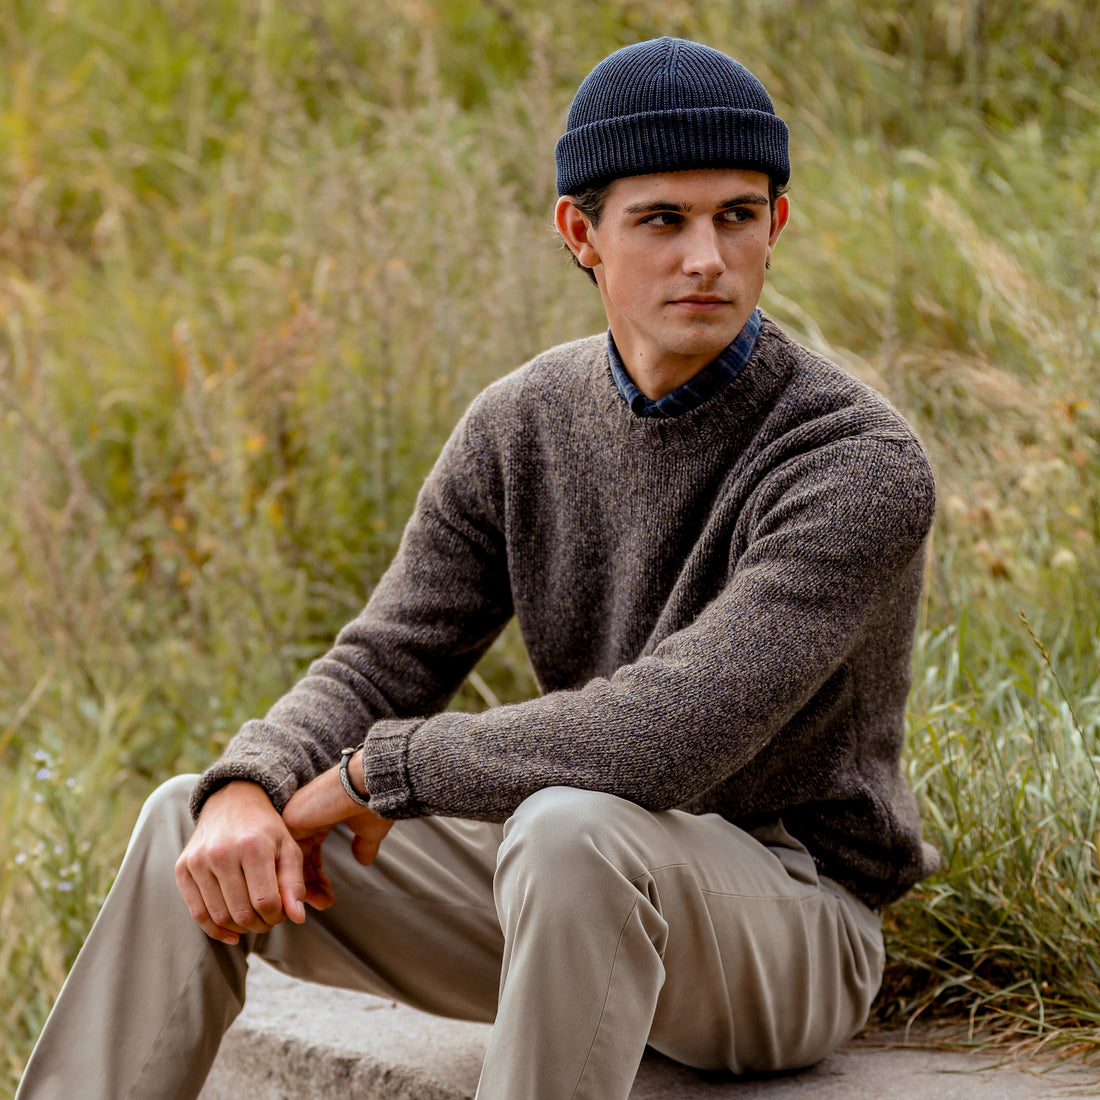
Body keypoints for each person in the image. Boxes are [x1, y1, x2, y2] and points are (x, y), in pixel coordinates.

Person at [17, 36, 939, 1100]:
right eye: (661, 220)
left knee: (569, 825)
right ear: (579, 233)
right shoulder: (522, 423)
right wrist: (253, 778)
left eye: (737, 215)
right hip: (570, 902)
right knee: (197, 821)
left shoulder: (854, 461)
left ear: (775, 223)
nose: (705, 258)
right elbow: (383, 658)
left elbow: (674, 732)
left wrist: (383, 771)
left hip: (786, 928)